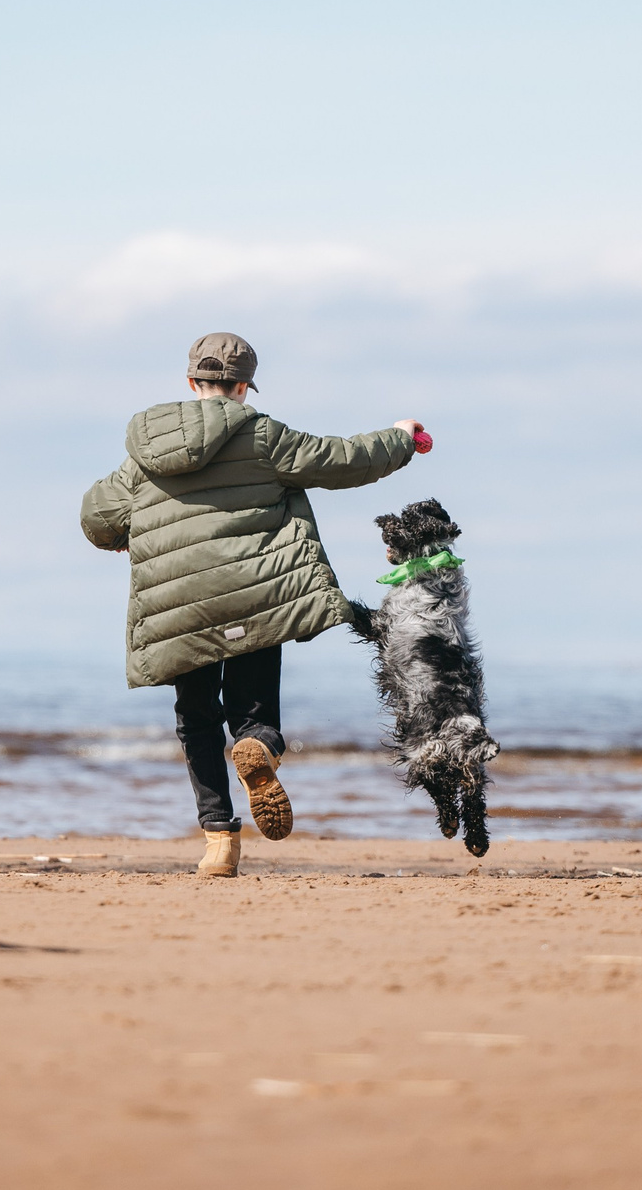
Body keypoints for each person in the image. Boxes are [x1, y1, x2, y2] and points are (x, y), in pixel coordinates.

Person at [80, 331, 423, 877]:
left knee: (196, 718)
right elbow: (344, 460)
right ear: (243, 388)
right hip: (255, 598)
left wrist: (124, 530)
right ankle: (258, 746)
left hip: (178, 611)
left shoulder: (142, 454)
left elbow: (97, 517)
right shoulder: (262, 436)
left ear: (192, 383)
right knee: (253, 706)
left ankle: (219, 841)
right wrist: (402, 437)